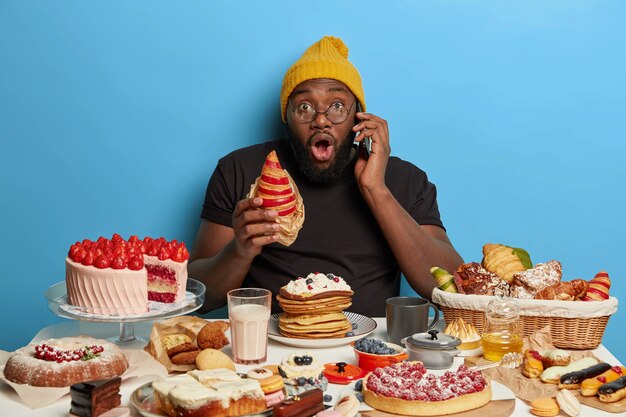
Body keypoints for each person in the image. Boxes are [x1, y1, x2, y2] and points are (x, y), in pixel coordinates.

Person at [189, 36, 463, 316]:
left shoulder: (405, 180)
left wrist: (376, 190)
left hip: (371, 349)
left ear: (359, 117)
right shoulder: (240, 169)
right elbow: (200, 294)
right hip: (270, 345)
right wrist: (240, 250)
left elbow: (453, 289)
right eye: (304, 106)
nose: (321, 120)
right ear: (287, 115)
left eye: (337, 106)